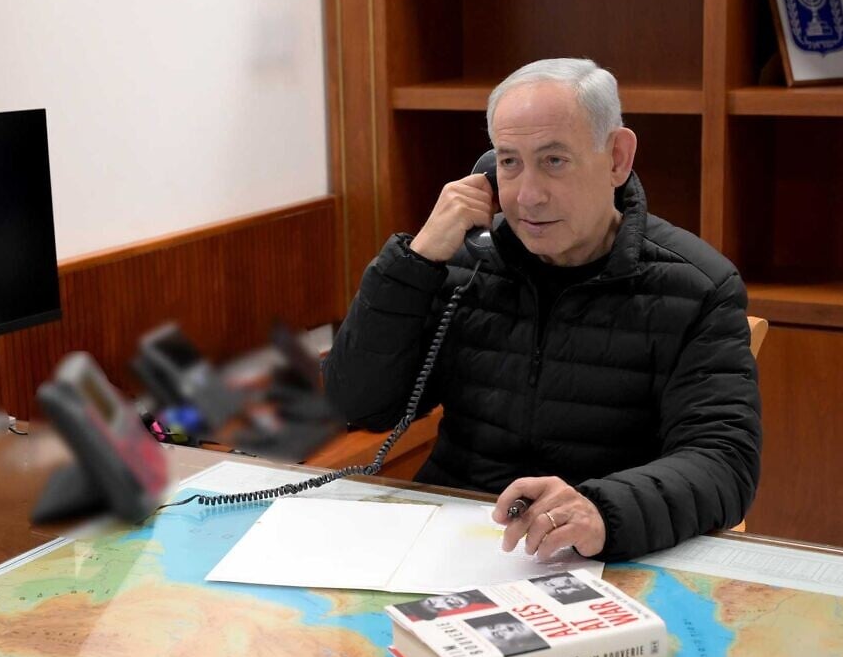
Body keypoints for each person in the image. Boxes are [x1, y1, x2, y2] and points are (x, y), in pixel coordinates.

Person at [323, 58, 762, 563]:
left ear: (617, 158)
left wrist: (601, 510)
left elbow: (723, 461)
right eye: (509, 162)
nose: (527, 196)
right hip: (453, 538)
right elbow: (356, 406)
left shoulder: (698, 286)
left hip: (596, 551)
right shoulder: (467, 263)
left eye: (554, 160)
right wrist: (414, 264)